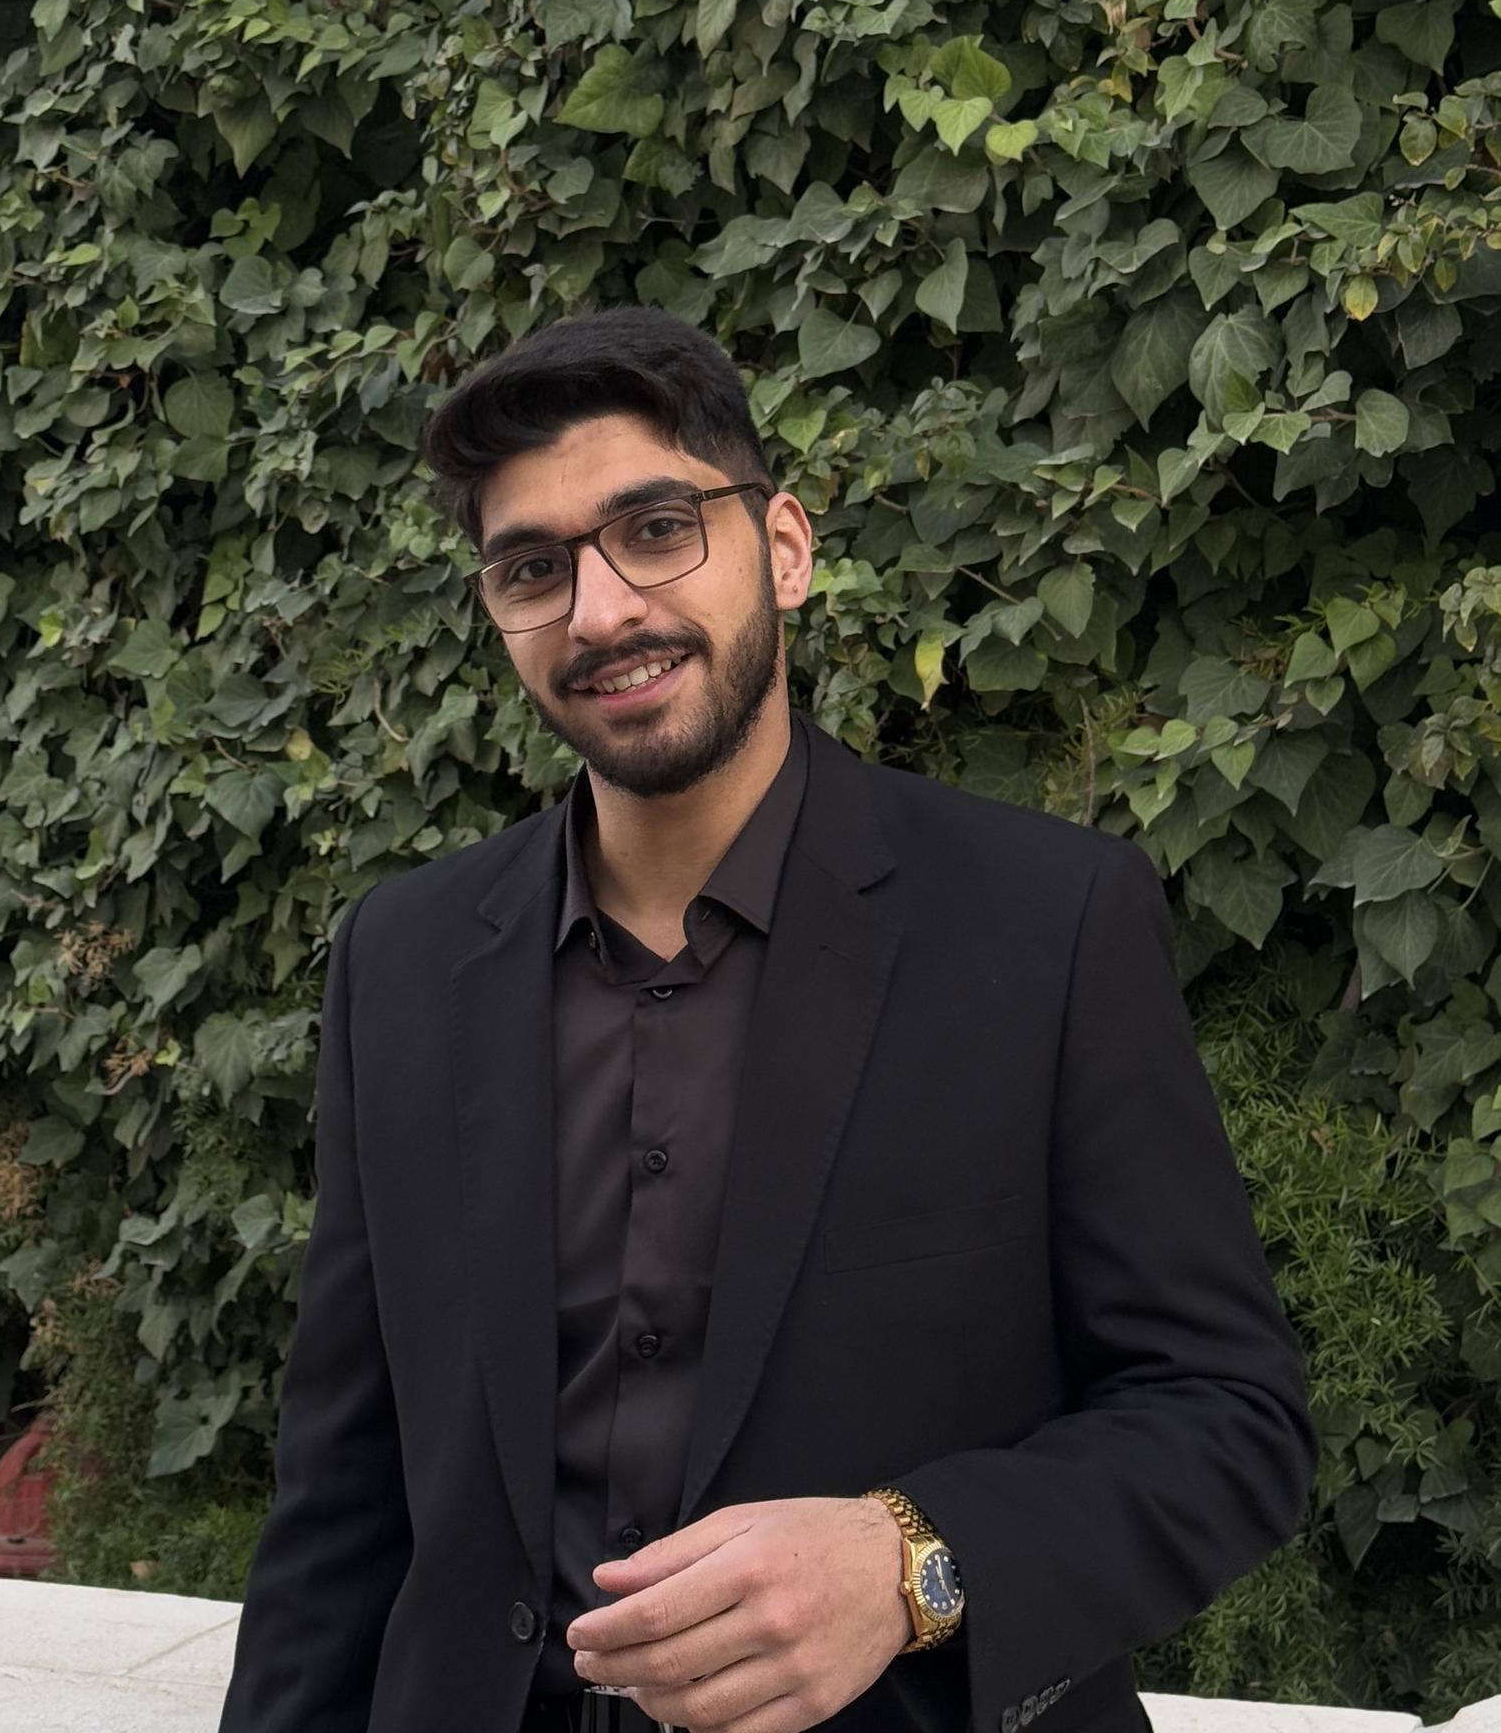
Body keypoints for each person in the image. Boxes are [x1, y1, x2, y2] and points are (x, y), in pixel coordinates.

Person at [217, 305, 1316, 1733]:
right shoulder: (403, 960)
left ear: (783, 548)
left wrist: (915, 1562)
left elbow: (1229, 1419)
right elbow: (340, 1500)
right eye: (533, 569)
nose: (602, 610)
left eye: (659, 528)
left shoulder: (1046, 924)